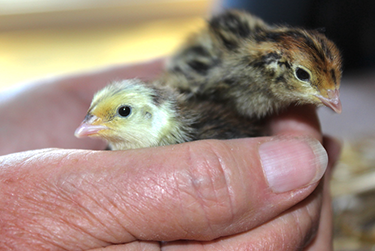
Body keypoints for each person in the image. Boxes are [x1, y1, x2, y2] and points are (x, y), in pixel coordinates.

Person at [0, 59, 340, 250]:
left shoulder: (196, 136)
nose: (91, 124)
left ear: (153, 117)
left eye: (121, 113)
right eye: (93, 113)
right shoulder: (115, 148)